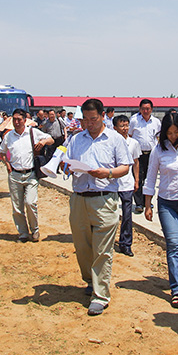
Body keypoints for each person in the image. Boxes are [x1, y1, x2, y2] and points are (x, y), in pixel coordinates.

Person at [62, 99, 132, 316]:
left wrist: (107, 173)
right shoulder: (76, 139)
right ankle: (90, 281)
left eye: (93, 119)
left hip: (104, 200)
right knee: (82, 247)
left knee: (102, 251)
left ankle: (100, 296)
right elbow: (67, 163)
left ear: (103, 116)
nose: (89, 124)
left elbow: (125, 167)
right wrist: (67, 167)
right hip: (79, 198)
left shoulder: (114, 139)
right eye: (86, 119)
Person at [143, 112, 178, 309]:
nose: (173, 136)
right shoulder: (158, 151)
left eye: (176, 132)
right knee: (173, 243)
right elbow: (150, 178)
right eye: (169, 132)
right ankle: (177, 288)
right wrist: (147, 204)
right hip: (167, 203)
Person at [0, 109, 54, 243]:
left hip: (31, 175)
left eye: (19, 119)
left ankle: (35, 230)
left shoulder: (32, 132)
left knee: (30, 202)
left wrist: (43, 142)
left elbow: (51, 139)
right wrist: (7, 164)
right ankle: (23, 233)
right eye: (14, 119)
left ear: (24, 120)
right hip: (15, 175)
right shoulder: (8, 136)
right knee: (17, 206)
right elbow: (2, 152)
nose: (16, 122)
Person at [112, 115, 141, 257]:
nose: (125, 128)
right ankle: (108, 240)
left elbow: (136, 162)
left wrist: (136, 180)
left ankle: (126, 243)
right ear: (115, 128)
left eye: (126, 125)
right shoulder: (110, 142)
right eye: (122, 126)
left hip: (127, 184)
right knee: (110, 214)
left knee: (127, 215)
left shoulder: (133, 143)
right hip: (111, 184)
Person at [129, 99, 161, 214]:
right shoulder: (134, 121)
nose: (145, 111)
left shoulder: (156, 122)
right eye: (143, 109)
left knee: (149, 178)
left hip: (152, 154)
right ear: (140, 109)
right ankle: (138, 203)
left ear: (151, 109)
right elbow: (130, 135)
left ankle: (147, 201)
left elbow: (158, 137)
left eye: (148, 109)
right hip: (138, 154)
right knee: (138, 178)